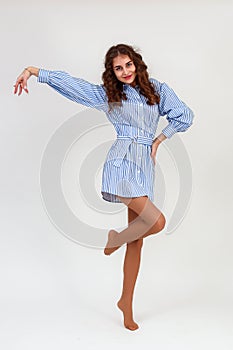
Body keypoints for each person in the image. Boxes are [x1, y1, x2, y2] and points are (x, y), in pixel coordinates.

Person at [14, 43, 194, 331]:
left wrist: (159, 140)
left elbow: (184, 115)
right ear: (112, 72)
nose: (124, 72)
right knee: (157, 222)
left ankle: (126, 302)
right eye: (118, 68)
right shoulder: (109, 95)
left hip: (145, 167)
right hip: (121, 163)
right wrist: (35, 71)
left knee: (137, 240)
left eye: (128, 65)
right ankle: (115, 239)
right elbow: (73, 85)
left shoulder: (157, 89)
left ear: (137, 63)